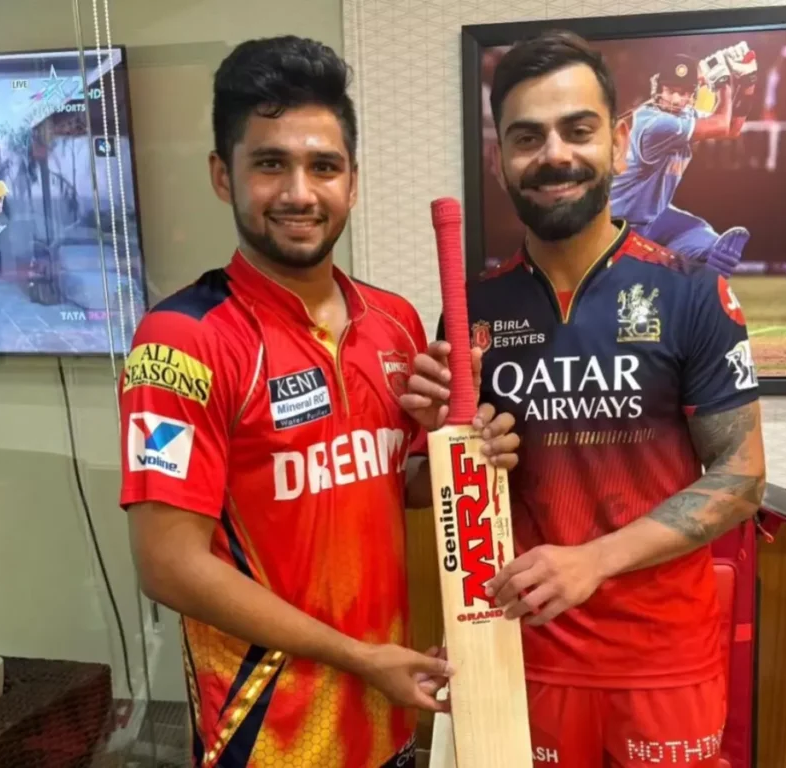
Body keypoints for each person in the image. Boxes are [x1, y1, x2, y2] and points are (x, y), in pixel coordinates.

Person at [117, 36, 520, 768]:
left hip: (387, 717)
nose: (300, 193)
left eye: (324, 167)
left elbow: (390, 486)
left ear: (352, 182)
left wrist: (459, 448)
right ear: (222, 174)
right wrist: (360, 657)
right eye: (270, 164)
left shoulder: (394, 320)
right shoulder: (182, 341)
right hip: (267, 736)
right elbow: (168, 565)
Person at [404, 30, 766, 768]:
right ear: (501, 159)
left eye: (578, 129)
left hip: (662, 661)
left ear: (618, 141)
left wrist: (594, 560)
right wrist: (446, 445)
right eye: (526, 137)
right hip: (521, 652)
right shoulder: (473, 309)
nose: (554, 155)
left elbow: (742, 477)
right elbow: (426, 490)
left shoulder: (691, 290)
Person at [609, 44, 759, 277]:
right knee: (655, 272)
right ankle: (685, 268)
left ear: (693, 95)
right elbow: (721, 125)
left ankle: (707, 261)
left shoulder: (685, 116)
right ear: (658, 89)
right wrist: (723, 84)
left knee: (702, 234)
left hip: (652, 217)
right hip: (617, 225)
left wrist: (748, 83)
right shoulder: (656, 124)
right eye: (670, 90)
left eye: (684, 92)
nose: (677, 99)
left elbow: (732, 129)